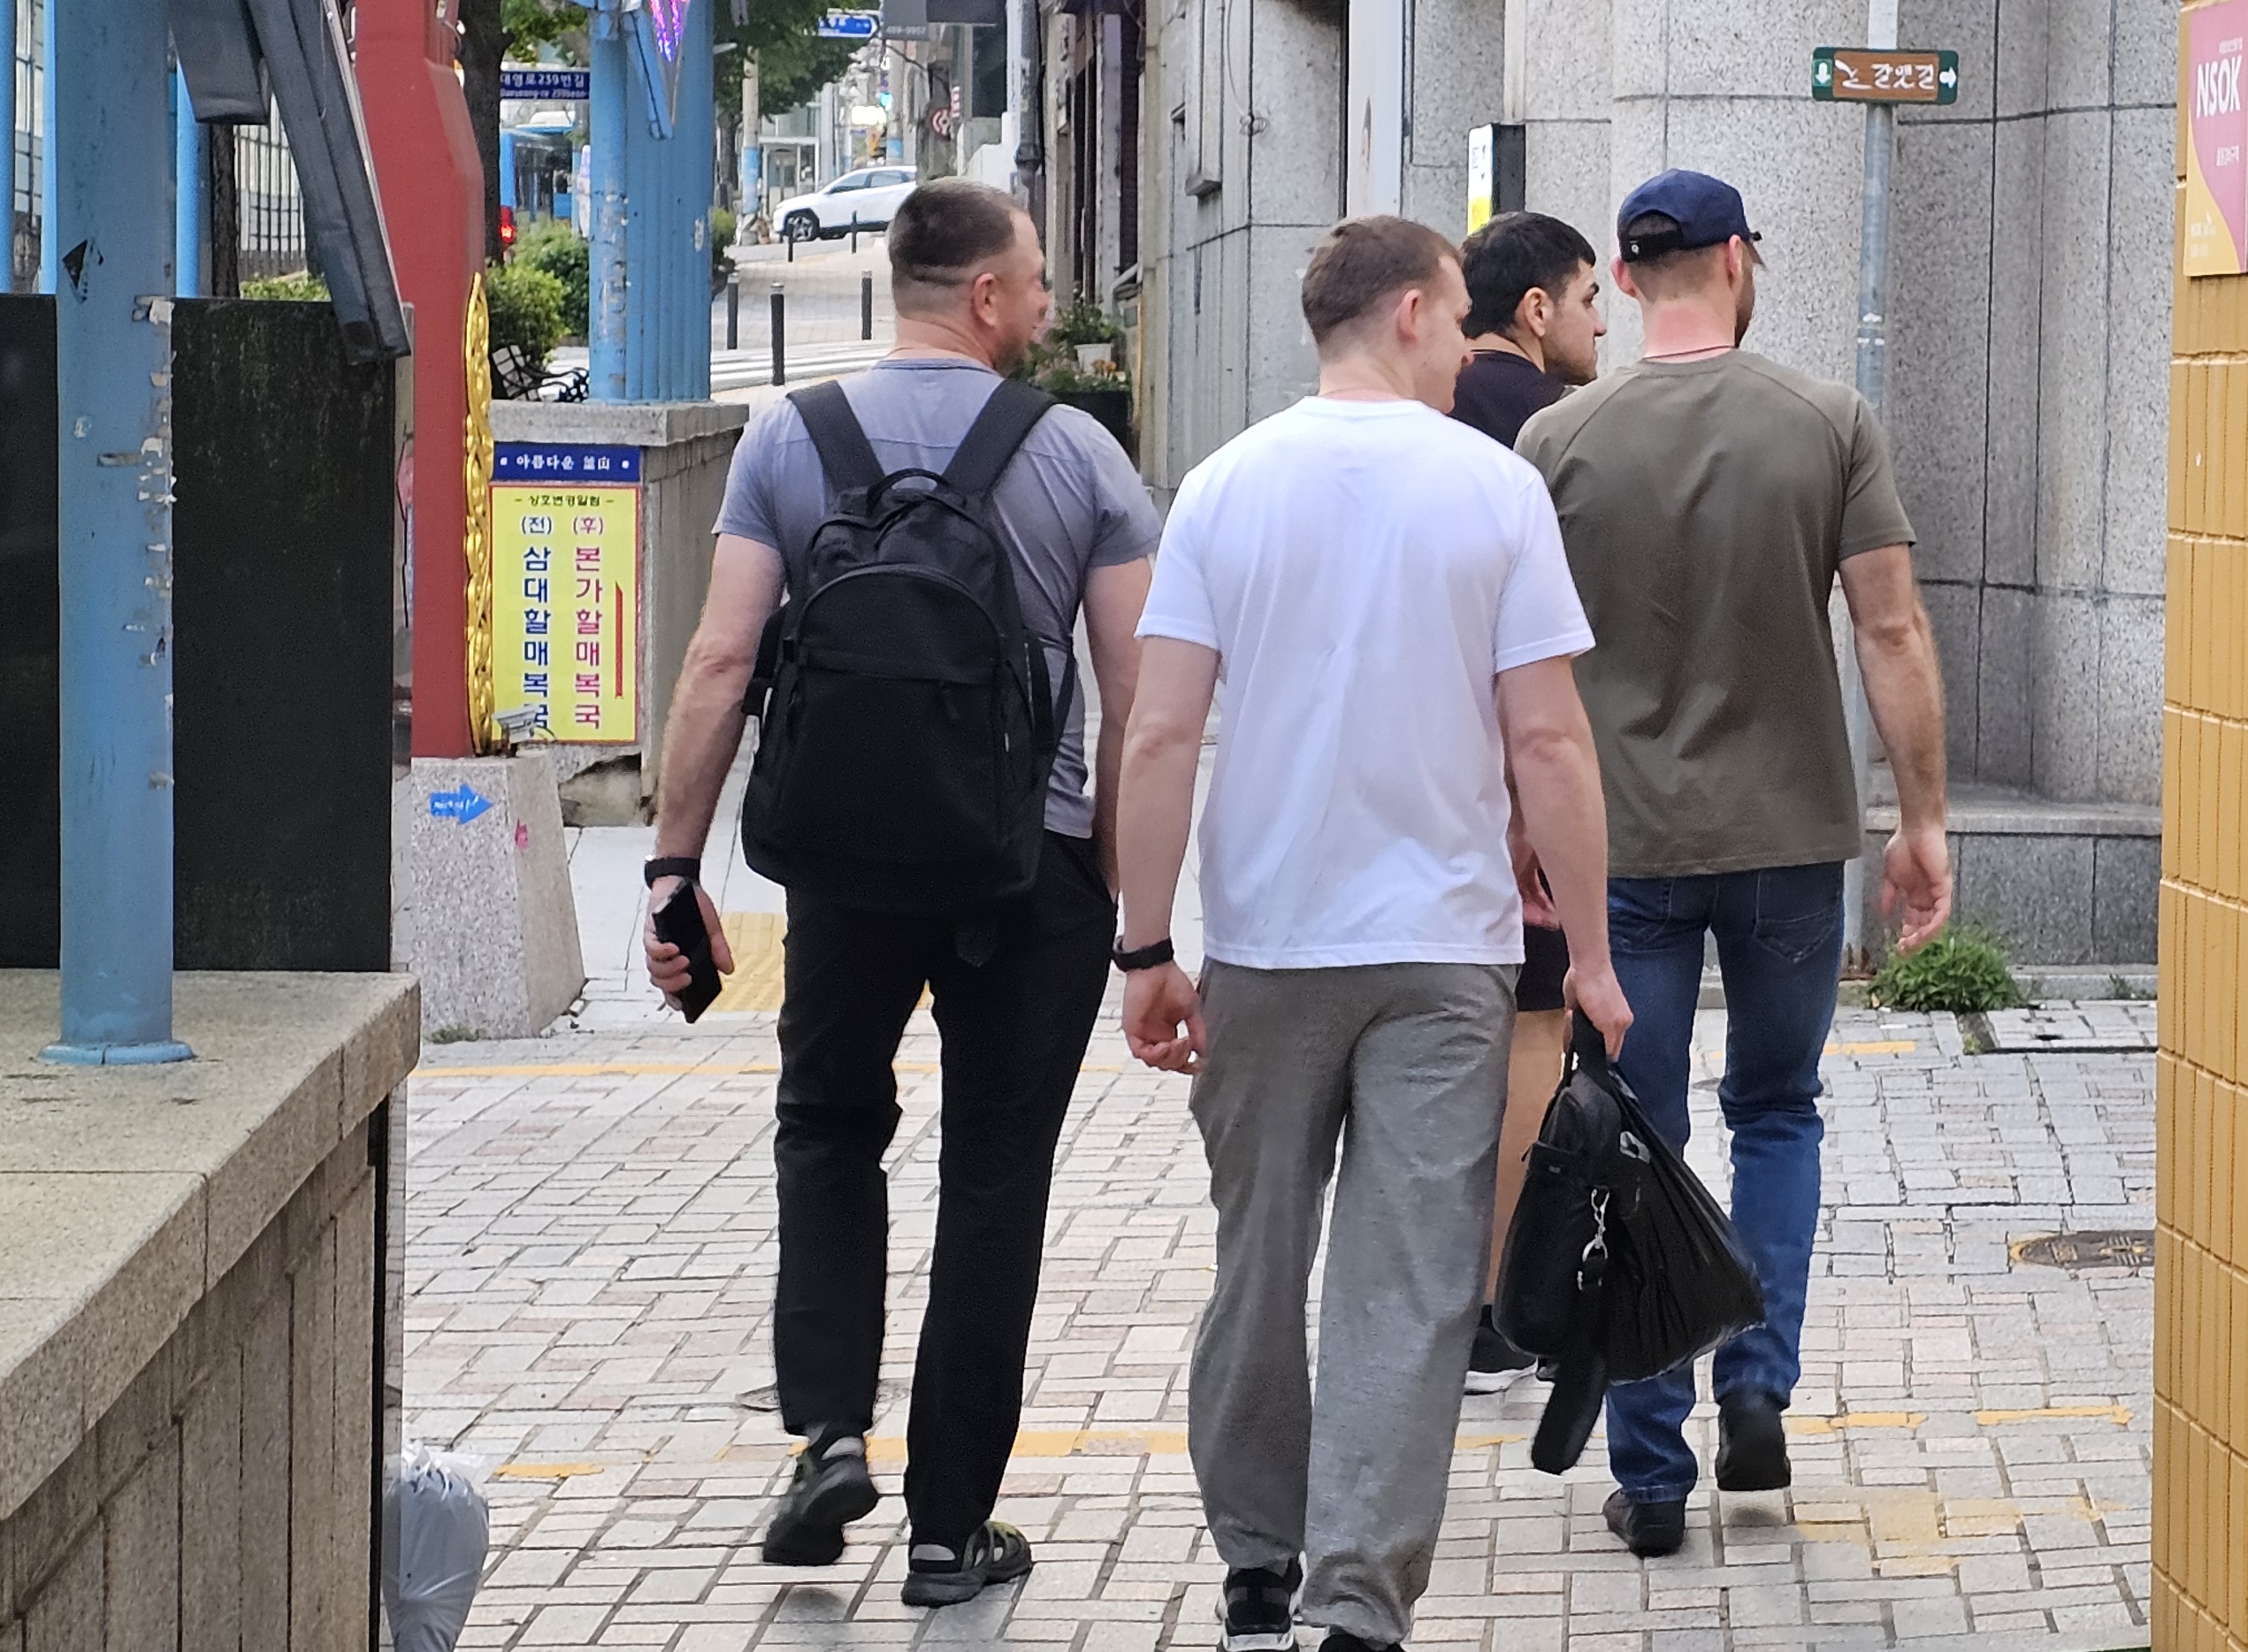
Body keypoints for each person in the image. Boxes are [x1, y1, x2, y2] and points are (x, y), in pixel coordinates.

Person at [1115, 215, 1633, 1652]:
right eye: (1459, 317)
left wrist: (1145, 948)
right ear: (1408, 313)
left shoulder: (1223, 487)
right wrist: (1592, 957)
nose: (1469, 347)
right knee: (1406, 1287)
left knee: (1258, 1264)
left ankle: (1255, 1568)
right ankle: (1357, 1604)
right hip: (1443, 955)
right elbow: (1551, 743)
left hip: (1267, 948)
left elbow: (1159, 734)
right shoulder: (1494, 490)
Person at [641, 179, 1161, 1596]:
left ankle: (826, 1433)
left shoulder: (787, 439)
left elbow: (719, 663)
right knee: (994, 1177)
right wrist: (1131, 906)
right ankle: (948, 1529)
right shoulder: (1079, 455)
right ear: (986, 296)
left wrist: (677, 868)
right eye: (1036, 280)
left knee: (826, 1126)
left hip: (846, 863)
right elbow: (1139, 701)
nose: (1047, 304)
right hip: (1031, 864)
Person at [1512, 169, 1954, 1558]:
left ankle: (1650, 1474)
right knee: (1777, 1112)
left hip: (1623, 846)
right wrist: (1922, 819)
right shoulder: (1828, 422)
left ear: (1626, 279)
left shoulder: (1557, 439)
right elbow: (1890, 629)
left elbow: (1517, 666)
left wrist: (1519, 825)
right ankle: (1756, 1384)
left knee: (1632, 1139)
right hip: (1789, 840)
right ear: (1739, 263)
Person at [1443, 209, 1608, 1396]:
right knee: (1534, 1032)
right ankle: (1501, 1306)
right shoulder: (1550, 429)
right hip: (1521, 781)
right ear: (1537, 309)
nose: (1604, 322)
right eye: (1591, 298)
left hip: (1425, 774)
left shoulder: (1422, 410)